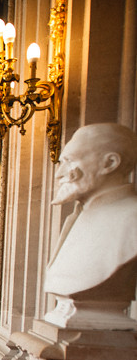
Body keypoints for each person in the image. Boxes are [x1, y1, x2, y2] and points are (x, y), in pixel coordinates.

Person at [44, 123, 137, 300]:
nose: (58, 174)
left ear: (109, 163)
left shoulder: (132, 220)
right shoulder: (75, 218)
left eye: (69, 161)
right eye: (61, 162)